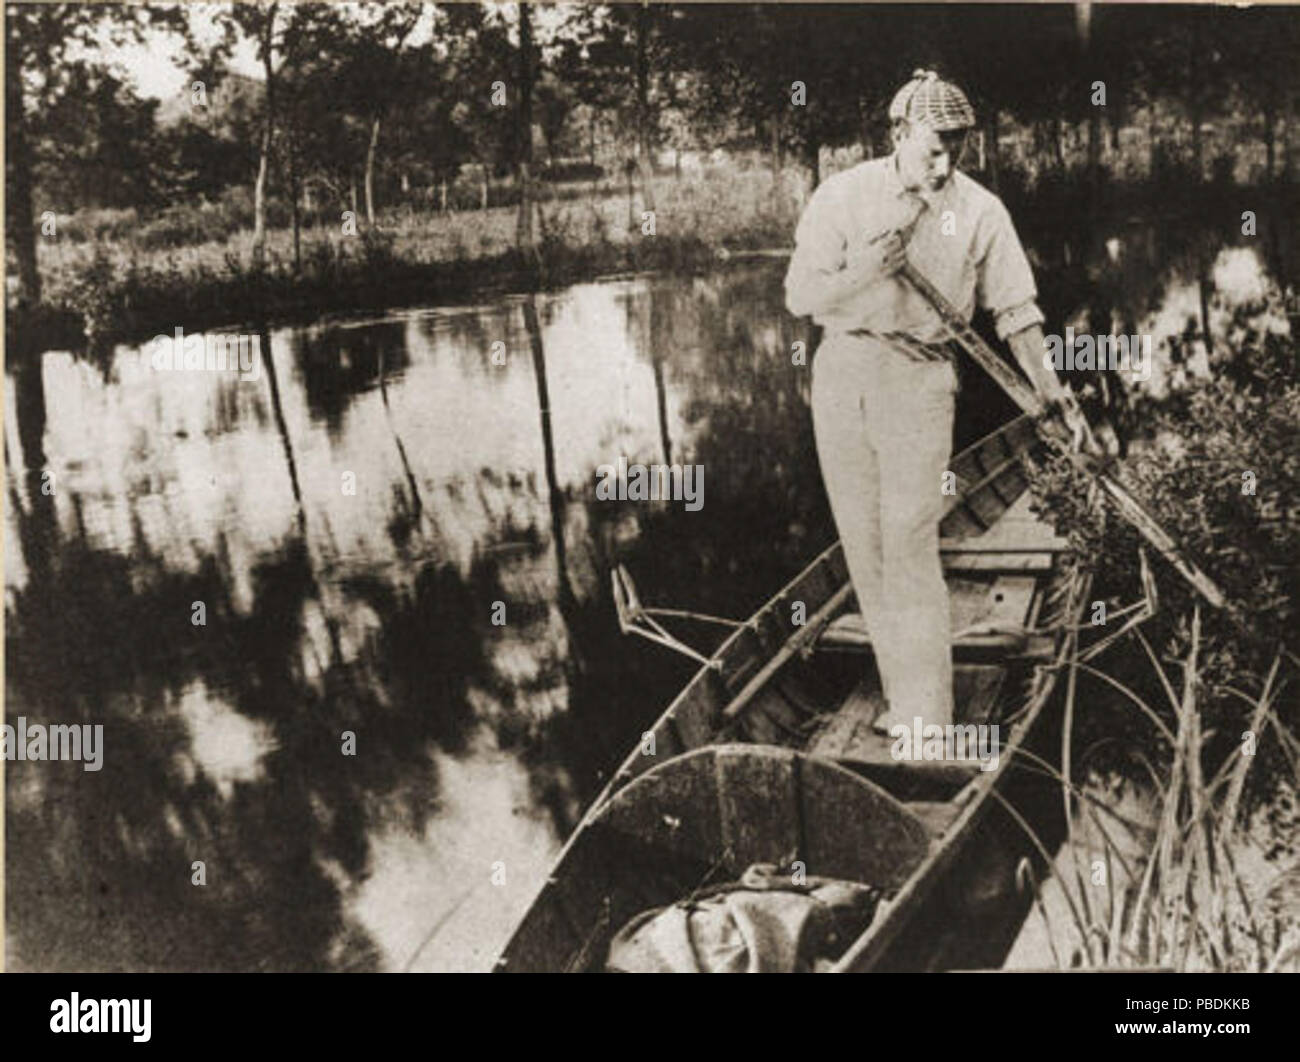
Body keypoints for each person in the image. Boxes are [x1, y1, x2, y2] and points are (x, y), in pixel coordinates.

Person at [784, 69, 1089, 735]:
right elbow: (801, 297)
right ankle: (901, 701)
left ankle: (929, 717)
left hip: (920, 378)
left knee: (910, 539)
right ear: (898, 134)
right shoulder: (845, 196)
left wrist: (1053, 392)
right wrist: (870, 266)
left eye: (958, 146)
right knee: (864, 547)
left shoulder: (980, 211)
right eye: (933, 147)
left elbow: (1016, 312)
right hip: (843, 374)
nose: (946, 161)